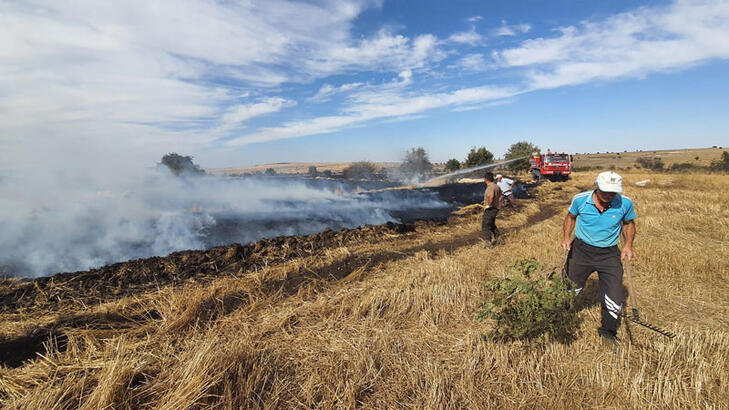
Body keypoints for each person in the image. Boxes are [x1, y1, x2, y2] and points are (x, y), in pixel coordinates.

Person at [562, 171, 636, 346]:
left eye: (613, 192)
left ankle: (608, 332)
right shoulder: (580, 200)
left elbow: (629, 224)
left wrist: (628, 245)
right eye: (605, 192)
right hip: (581, 250)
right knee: (569, 289)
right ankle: (560, 317)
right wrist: (566, 237)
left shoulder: (625, 203)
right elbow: (571, 217)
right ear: (596, 186)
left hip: (609, 254)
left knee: (614, 296)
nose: (609, 196)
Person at [482, 172, 503, 248]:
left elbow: (491, 196)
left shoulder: (490, 187)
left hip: (491, 209)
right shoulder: (496, 186)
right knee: (492, 224)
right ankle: (499, 239)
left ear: (486, 179)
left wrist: (488, 205)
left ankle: (488, 243)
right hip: (496, 208)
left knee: (485, 225)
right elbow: (501, 195)